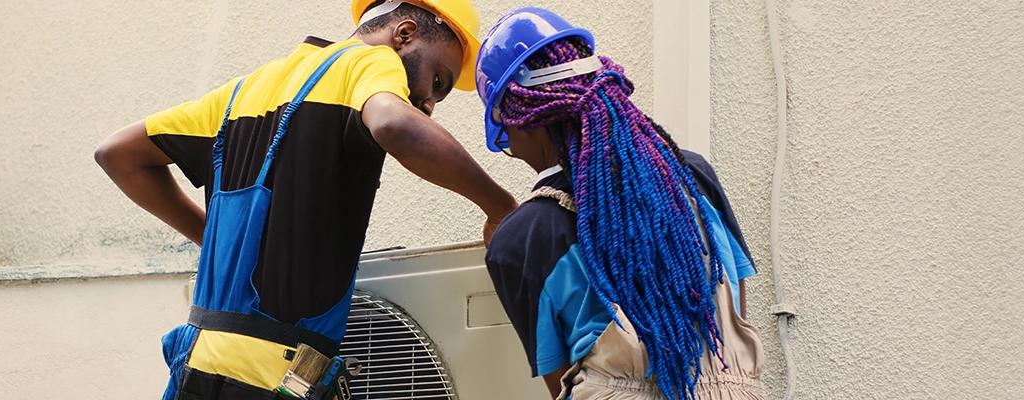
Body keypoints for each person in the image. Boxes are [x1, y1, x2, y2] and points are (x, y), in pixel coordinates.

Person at [93, 1, 516, 398]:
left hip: (197, 362)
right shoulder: (368, 61)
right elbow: (392, 124)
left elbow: (118, 155)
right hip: (277, 376)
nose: (427, 104)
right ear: (403, 34)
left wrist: (214, 242)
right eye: (437, 81)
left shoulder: (245, 90)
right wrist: (500, 208)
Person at [475, 8, 766, 400]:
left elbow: (560, 381)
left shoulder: (519, 241)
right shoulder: (691, 176)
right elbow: (733, 310)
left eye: (505, 135)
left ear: (526, 119)